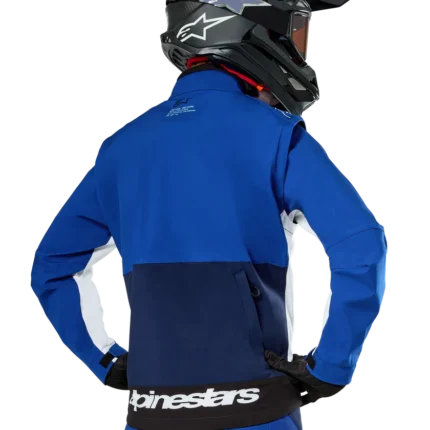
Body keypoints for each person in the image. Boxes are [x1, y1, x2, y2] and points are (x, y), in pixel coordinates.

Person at [29, 1, 388, 429]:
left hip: (151, 414)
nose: (300, 49)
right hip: (256, 409)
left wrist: (104, 360)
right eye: (296, 32)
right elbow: (362, 246)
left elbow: (53, 266)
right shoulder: (273, 133)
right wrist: (331, 365)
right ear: (244, 28)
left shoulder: (121, 147)